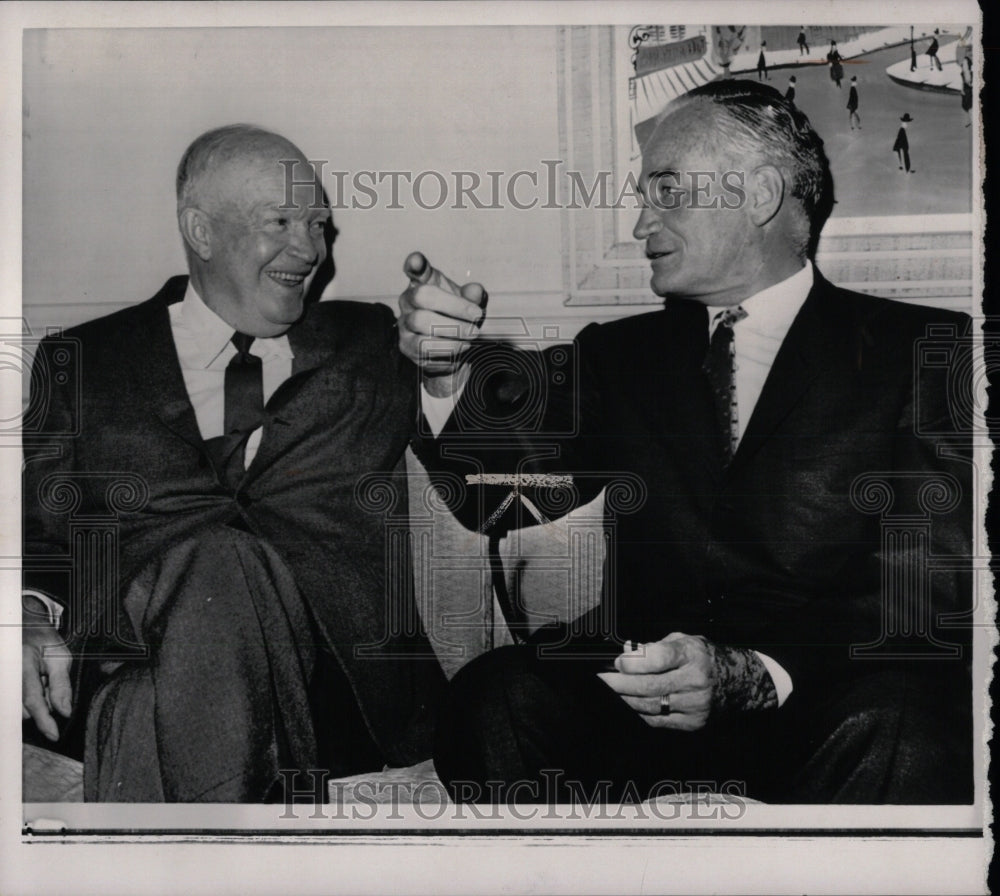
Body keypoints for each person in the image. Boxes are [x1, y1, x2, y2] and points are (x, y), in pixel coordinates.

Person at [399, 80, 972, 805]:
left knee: (905, 734)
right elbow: (489, 493)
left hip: (822, 703)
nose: (641, 223)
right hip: (632, 702)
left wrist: (758, 673)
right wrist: (445, 372)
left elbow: (933, 587)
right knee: (497, 695)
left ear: (761, 194)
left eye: (666, 190)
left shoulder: (926, 349)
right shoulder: (617, 355)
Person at [22, 124, 445, 802]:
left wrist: (448, 372)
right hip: (126, 650)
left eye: (319, 225)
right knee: (198, 592)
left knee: (209, 580)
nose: (308, 248)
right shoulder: (82, 361)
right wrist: (27, 611)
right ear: (202, 229)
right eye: (280, 221)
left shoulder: (371, 344)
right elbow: (37, 532)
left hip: (329, 686)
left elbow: (489, 472)